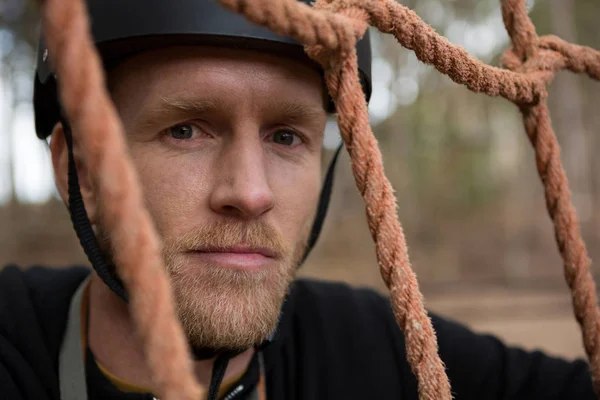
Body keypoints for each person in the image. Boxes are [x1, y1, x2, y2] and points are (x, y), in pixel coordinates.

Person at [0, 1, 595, 399]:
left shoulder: (372, 346)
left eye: (287, 136)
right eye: (185, 130)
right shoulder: (15, 339)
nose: (251, 193)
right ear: (78, 171)